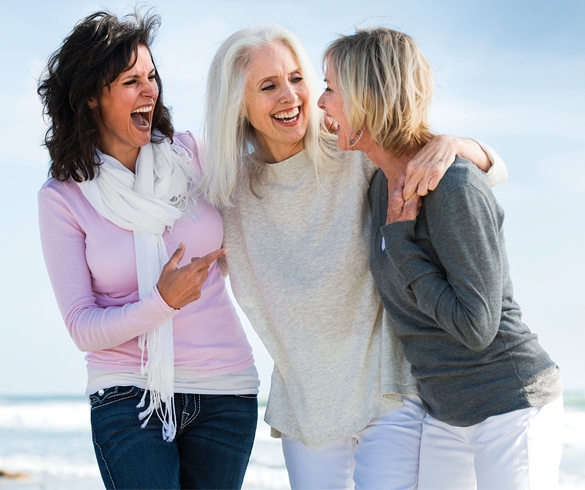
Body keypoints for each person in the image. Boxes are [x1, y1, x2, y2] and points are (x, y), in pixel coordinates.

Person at [200, 24, 507, 489]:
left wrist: (453, 144)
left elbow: (491, 170)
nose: (292, 96)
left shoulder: (351, 149)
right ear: (236, 105)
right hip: (306, 408)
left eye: (297, 79)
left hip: (388, 390)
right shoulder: (226, 193)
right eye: (268, 86)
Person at [318, 27, 564, 489]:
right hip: (445, 415)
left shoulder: (453, 187)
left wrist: (402, 244)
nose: (320, 103)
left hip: (511, 405)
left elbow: (476, 326)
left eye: (331, 88)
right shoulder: (377, 185)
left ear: (367, 98)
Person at [37, 10, 258, 490]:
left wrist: (456, 148)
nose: (150, 90)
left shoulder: (192, 156)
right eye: (131, 80)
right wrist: (161, 304)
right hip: (127, 395)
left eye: (152, 76)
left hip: (224, 391)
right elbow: (82, 326)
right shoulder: (63, 198)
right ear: (93, 96)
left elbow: (278, 173)